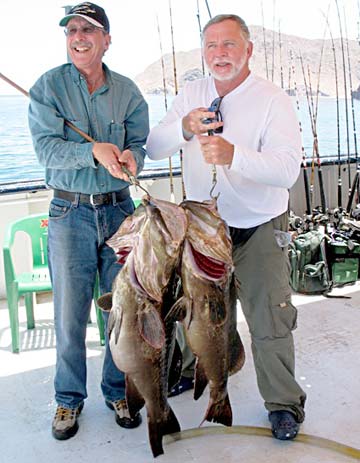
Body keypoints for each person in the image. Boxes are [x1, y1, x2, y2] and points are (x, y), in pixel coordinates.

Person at [146, 14, 306, 440]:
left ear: (248, 50)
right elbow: (153, 147)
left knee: (270, 319)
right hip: (203, 232)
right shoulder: (192, 93)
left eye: (229, 44)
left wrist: (234, 154)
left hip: (258, 227)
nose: (220, 53)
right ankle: (188, 374)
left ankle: (283, 403)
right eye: (212, 45)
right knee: (197, 315)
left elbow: (287, 169)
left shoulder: (273, 99)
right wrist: (184, 128)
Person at [28, 2, 149, 440]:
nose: (78, 36)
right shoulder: (47, 88)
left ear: (106, 39)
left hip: (120, 211)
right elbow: (46, 152)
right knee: (70, 316)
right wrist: (92, 151)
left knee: (122, 312)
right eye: (71, 30)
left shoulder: (129, 91)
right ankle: (67, 401)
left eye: (88, 29)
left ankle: (117, 390)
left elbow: (140, 143)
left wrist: (134, 156)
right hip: (68, 212)